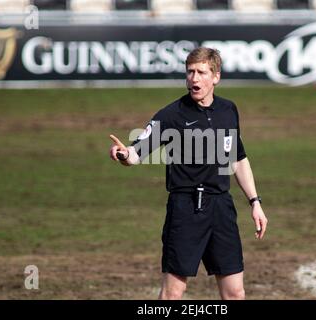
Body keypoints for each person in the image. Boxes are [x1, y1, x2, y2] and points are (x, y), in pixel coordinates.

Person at [109, 47, 268, 300]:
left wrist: (255, 202)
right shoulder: (171, 115)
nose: (194, 78)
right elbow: (137, 151)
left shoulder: (229, 110)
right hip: (185, 210)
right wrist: (124, 155)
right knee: (173, 293)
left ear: (215, 77)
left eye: (201, 72)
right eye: (190, 72)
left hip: (221, 209)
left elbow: (238, 159)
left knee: (235, 293)